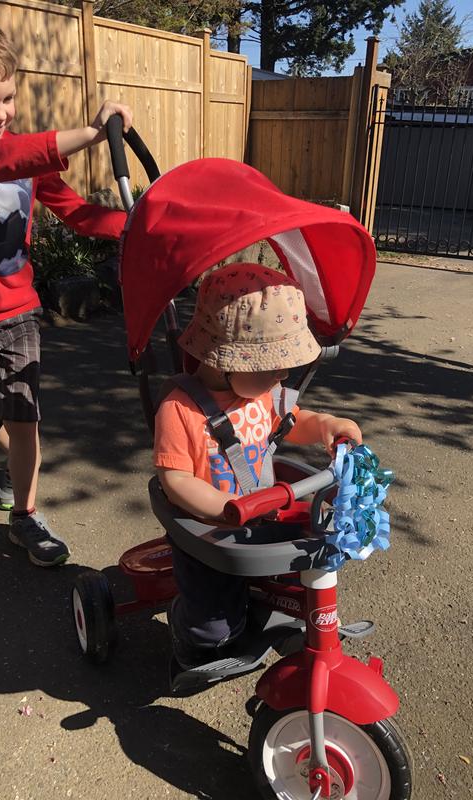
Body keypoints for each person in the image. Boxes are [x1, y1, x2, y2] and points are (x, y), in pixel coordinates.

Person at [0, 6, 133, 566]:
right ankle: (16, 463)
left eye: (7, 98)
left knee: (23, 412)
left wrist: (137, 225)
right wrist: (86, 130)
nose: (0, 114)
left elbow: (80, 213)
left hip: (19, 313)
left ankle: (26, 516)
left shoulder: (25, 157)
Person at [153, 263, 362, 668]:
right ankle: (183, 626)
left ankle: (266, 619)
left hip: (264, 516)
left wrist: (328, 425)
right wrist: (224, 508)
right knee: (211, 631)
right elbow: (174, 478)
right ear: (223, 361)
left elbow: (293, 421)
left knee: (298, 579)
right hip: (209, 533)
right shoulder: (179, 409)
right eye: (272, 366)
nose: (282, 374)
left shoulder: (261, 394)